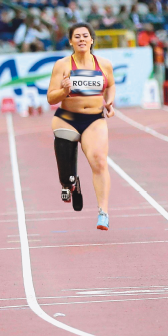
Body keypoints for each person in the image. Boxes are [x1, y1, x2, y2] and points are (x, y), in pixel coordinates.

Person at [46, 23, 116, 230]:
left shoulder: (104, 64)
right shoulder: (62, 65)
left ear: (92, 40)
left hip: (94, 119)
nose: (82, 39)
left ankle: (103, 212)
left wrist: (109, 102)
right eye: (77, 36)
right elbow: (51, 98)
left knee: (99, 161)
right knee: (65, 176)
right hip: (67, 117)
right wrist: (64, 91)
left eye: (85, 36)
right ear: (70, 41)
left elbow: (110, 85)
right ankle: (71, 184)